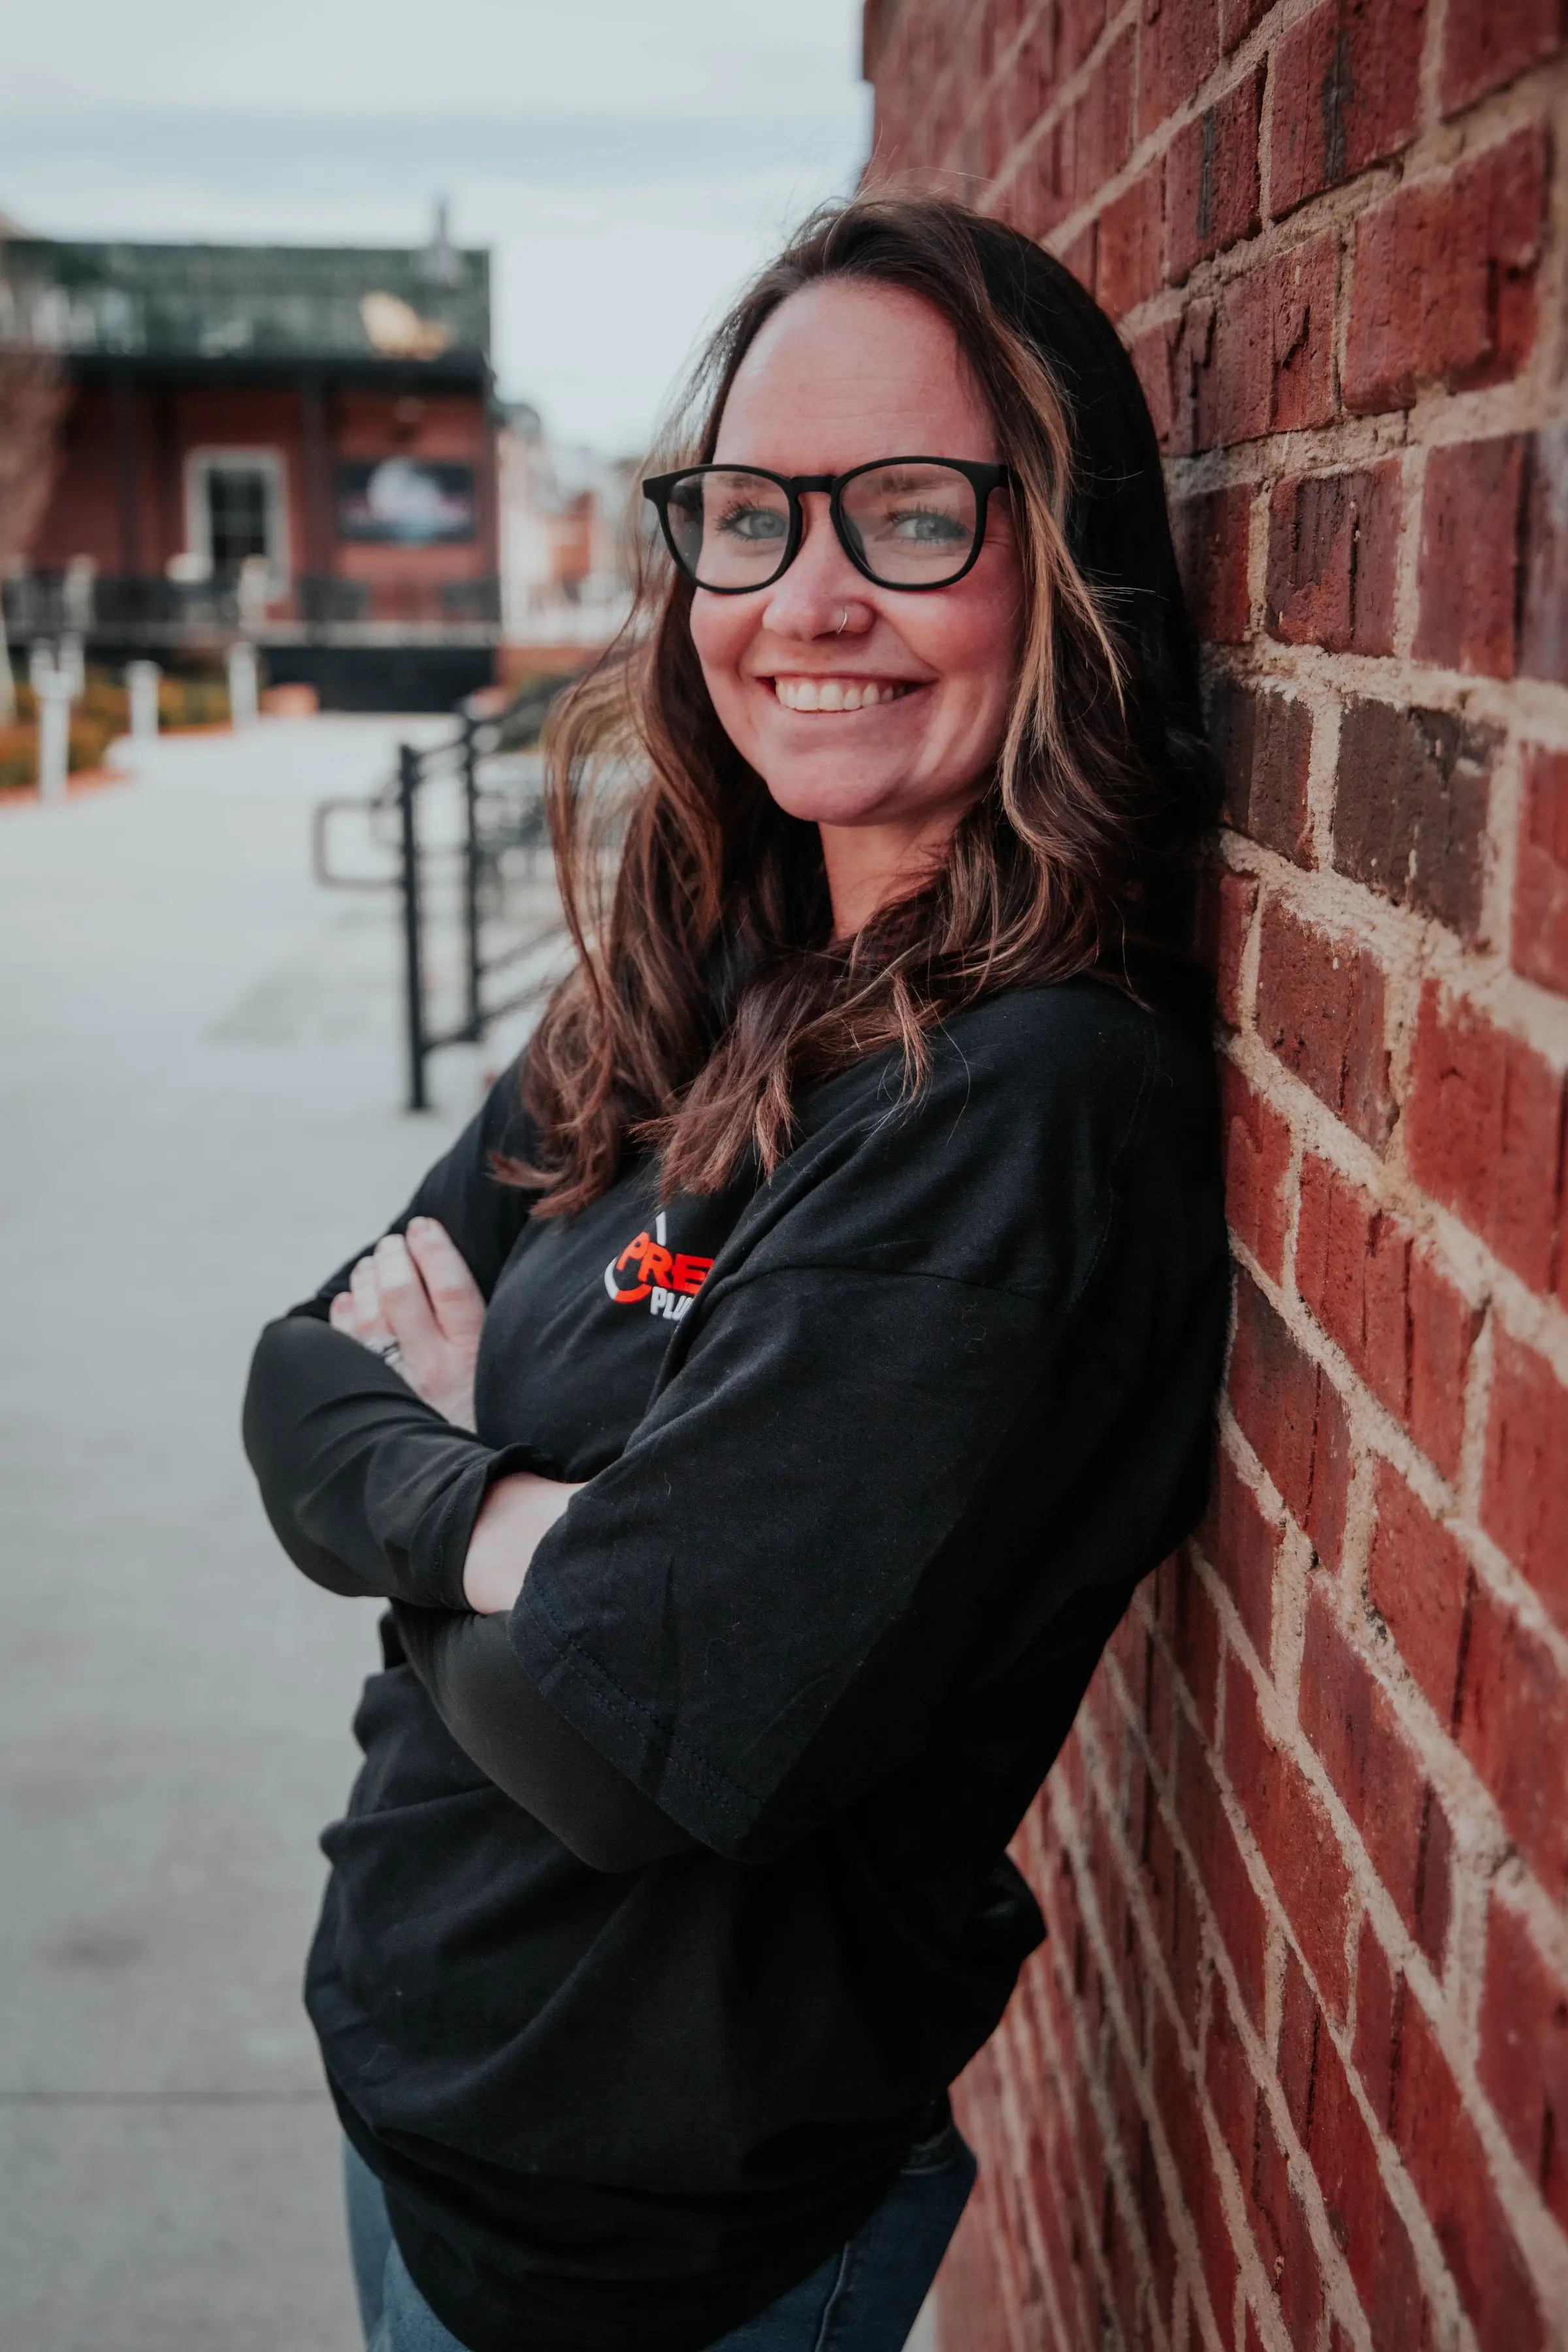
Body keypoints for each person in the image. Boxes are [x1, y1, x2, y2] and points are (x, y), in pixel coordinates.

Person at [243, 193, 1229, 2352]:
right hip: (418, 2103)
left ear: (1062, 560)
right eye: (752, 517)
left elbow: (619, 1745)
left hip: (643, 2255)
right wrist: (510, 1524)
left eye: (908, 517)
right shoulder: (709, 947)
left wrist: (437, 1465)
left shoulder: (1025, 1112)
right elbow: (297, 1377)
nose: (808, 601)